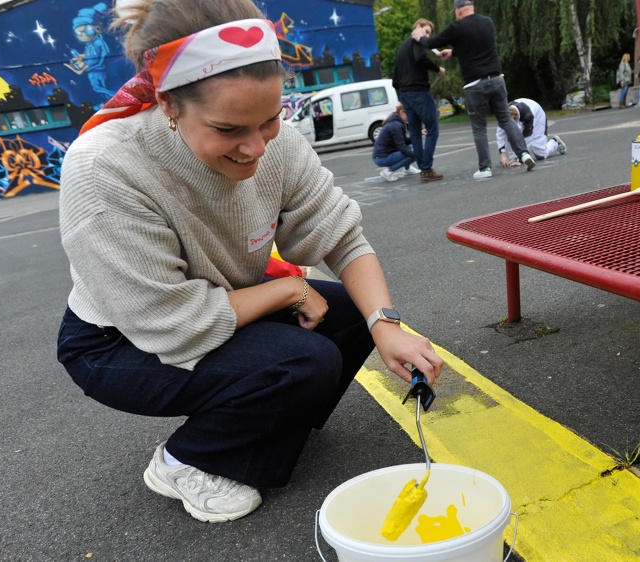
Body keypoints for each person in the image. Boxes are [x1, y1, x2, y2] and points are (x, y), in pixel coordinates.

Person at [56, 0, 443, 524]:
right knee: (304, 360)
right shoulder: (107, 167)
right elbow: (169, 321)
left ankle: (266, 422)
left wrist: (384, 323)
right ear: (168, 104)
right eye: (229, 129)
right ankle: (185, 460)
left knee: (351, 311)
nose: (256, 147)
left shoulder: (272, 144)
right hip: (119, 339)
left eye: (270, 120)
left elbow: (342, 236)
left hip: (214, 300)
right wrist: (289, 290)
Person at [411, 0, 535, 179]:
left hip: (475, 84)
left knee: (479, 128)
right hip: (497, 79)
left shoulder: (457, 27)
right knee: (506, 119)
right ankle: (524, 154)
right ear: (472, 7)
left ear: (458, 10)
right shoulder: (487, 22)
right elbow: (475, 46)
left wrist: (419, 37)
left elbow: (432, 43)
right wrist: (453, 53)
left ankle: (485, 168)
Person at [392, 18, 445, 183]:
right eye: (426, 31)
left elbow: (394, 79)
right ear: (418, 28)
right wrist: (438, 69)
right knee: (432, 129)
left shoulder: (401, 48)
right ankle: (426, 168)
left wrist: (403, 93)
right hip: (420, 92)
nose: (427, 36)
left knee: (415, 133)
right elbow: (421, 57)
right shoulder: (418, 41)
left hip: (405, 95)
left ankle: (424, 169)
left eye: (429, 33)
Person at [496, 98, 565, 167]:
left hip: (537, 117)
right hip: (524, 111)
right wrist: (503, 156)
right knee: (511, 134)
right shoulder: (504, 117)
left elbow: (527, 138)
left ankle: (555, 142)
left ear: (517, 117)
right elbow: (501, 135)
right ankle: (514, 158)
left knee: (541, 155)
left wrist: (520, 158)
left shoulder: (529, 116)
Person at [372, 105, 420, 182]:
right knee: (416, 152)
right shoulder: (396, 126)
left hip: (382, 156)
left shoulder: (397, 123)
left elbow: (405, 142)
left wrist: (418, 135)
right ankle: (388, 171)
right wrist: (419, 157)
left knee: (414, 147)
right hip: (381, 158)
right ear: (402, 112)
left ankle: (407, 169)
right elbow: (402, 148)